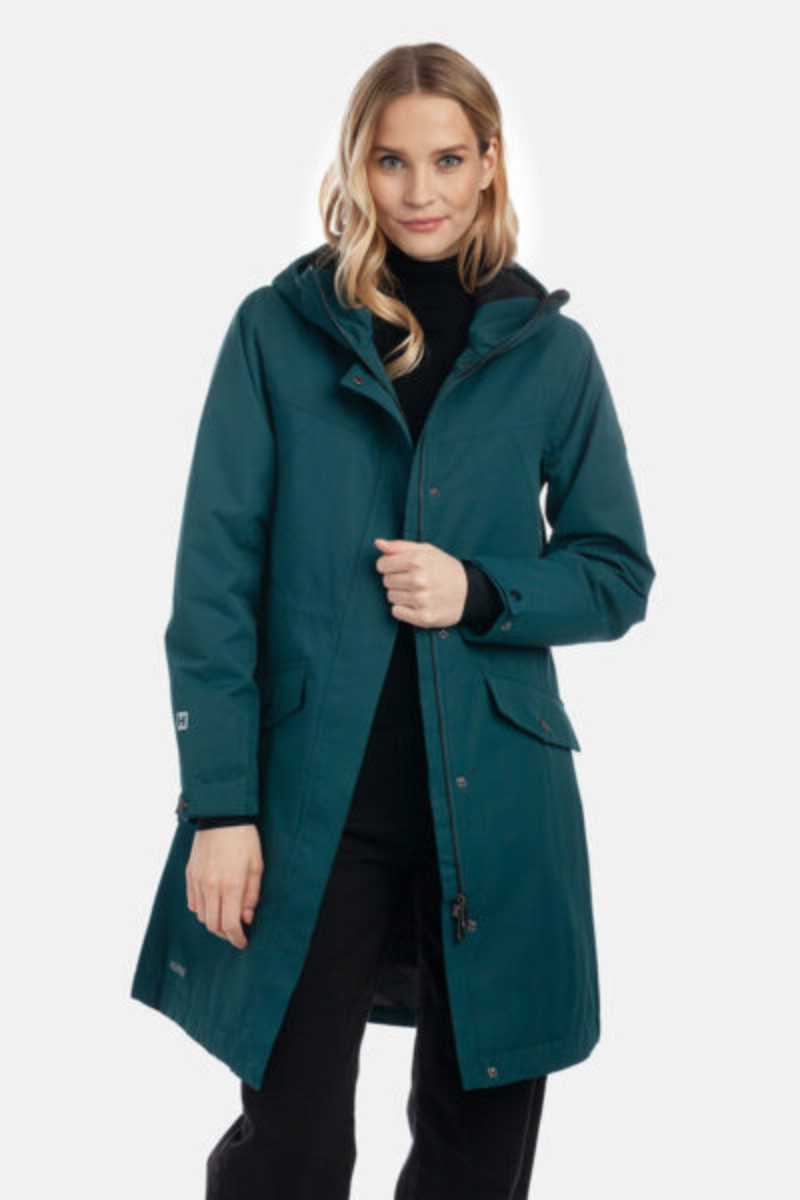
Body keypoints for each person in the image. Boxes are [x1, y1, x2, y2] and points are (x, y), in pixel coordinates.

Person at [131, 41, 656, 1200]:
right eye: (390, 161)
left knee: (478, 1151)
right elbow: (212, 588)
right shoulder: (277, 333)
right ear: (355, 168)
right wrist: (219, 806)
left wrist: (481, 589)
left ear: (489, 164)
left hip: (497, 799)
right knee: (292, 1147)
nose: (420, 191)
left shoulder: (551, 355)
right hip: (313, 804)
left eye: (447, 159)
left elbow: (616, 572)